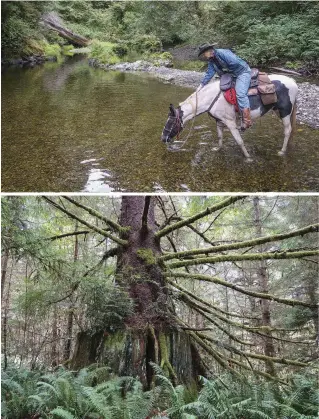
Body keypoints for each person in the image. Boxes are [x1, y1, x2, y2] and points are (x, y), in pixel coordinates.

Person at [196, 43, 252, 130]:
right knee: (223, 92)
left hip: (242, 72)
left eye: (204, 53)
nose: (204, 55)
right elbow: (210, 73)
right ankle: (231, 115)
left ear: (209, 51)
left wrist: (226, 71)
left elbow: (234, 62)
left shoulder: (223, 53)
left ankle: (247, 120)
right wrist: (201, 85)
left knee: (240, 94)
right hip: (231, 75)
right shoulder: (211, 60)